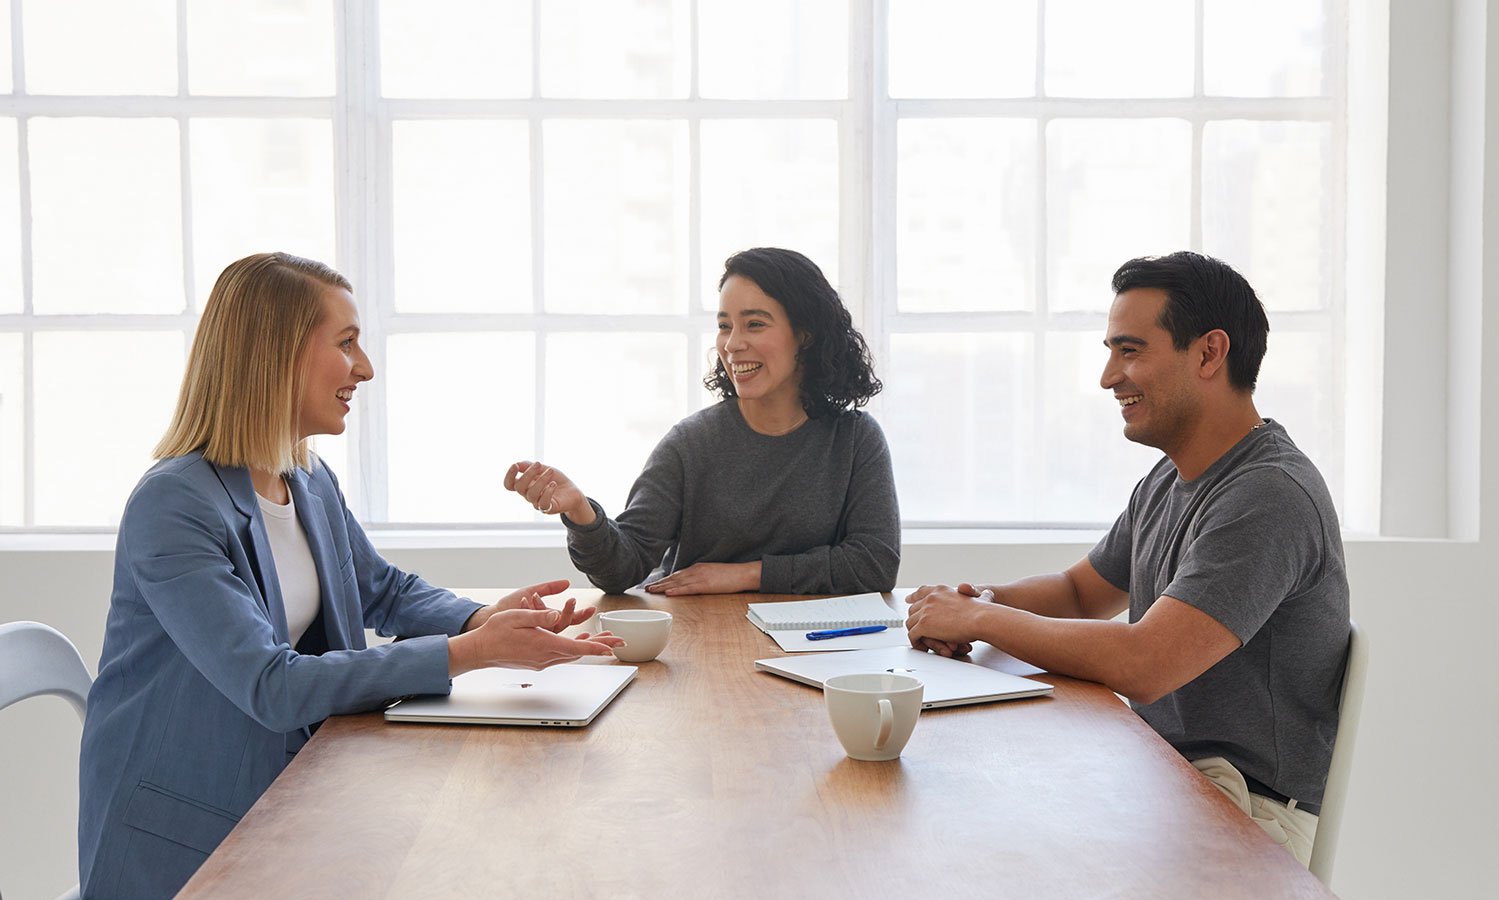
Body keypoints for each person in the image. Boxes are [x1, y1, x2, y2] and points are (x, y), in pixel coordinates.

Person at [77, 253, 623, 899]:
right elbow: (270, 685)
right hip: (189, 836)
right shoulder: (174, 504)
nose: (364, 368)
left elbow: (379, 589)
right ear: (274, 354)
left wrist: (484, 621)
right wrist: (472, 653)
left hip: (286, 793)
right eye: (346, 343)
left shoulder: (304, 476)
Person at [905, 251, 1349, 868]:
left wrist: (976, 623)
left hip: (1245, 811)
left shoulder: (1268, 496)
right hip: (1168, 769)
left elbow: (1146, 663)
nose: (1109, 376)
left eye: (1130, 350)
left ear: (1208, 354)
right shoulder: (1171, 477)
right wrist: (975, 601)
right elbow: (1081, 591)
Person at [504, 247, 900, 596]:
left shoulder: (855, 440)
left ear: (805, 336)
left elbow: (874, 564)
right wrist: (580, 511)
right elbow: (624, 568)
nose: (732, 344)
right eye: (725, 325)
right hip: (695, 639)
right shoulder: (690, 443)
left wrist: (743, 575)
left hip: (814, 647)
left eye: (755, 324)